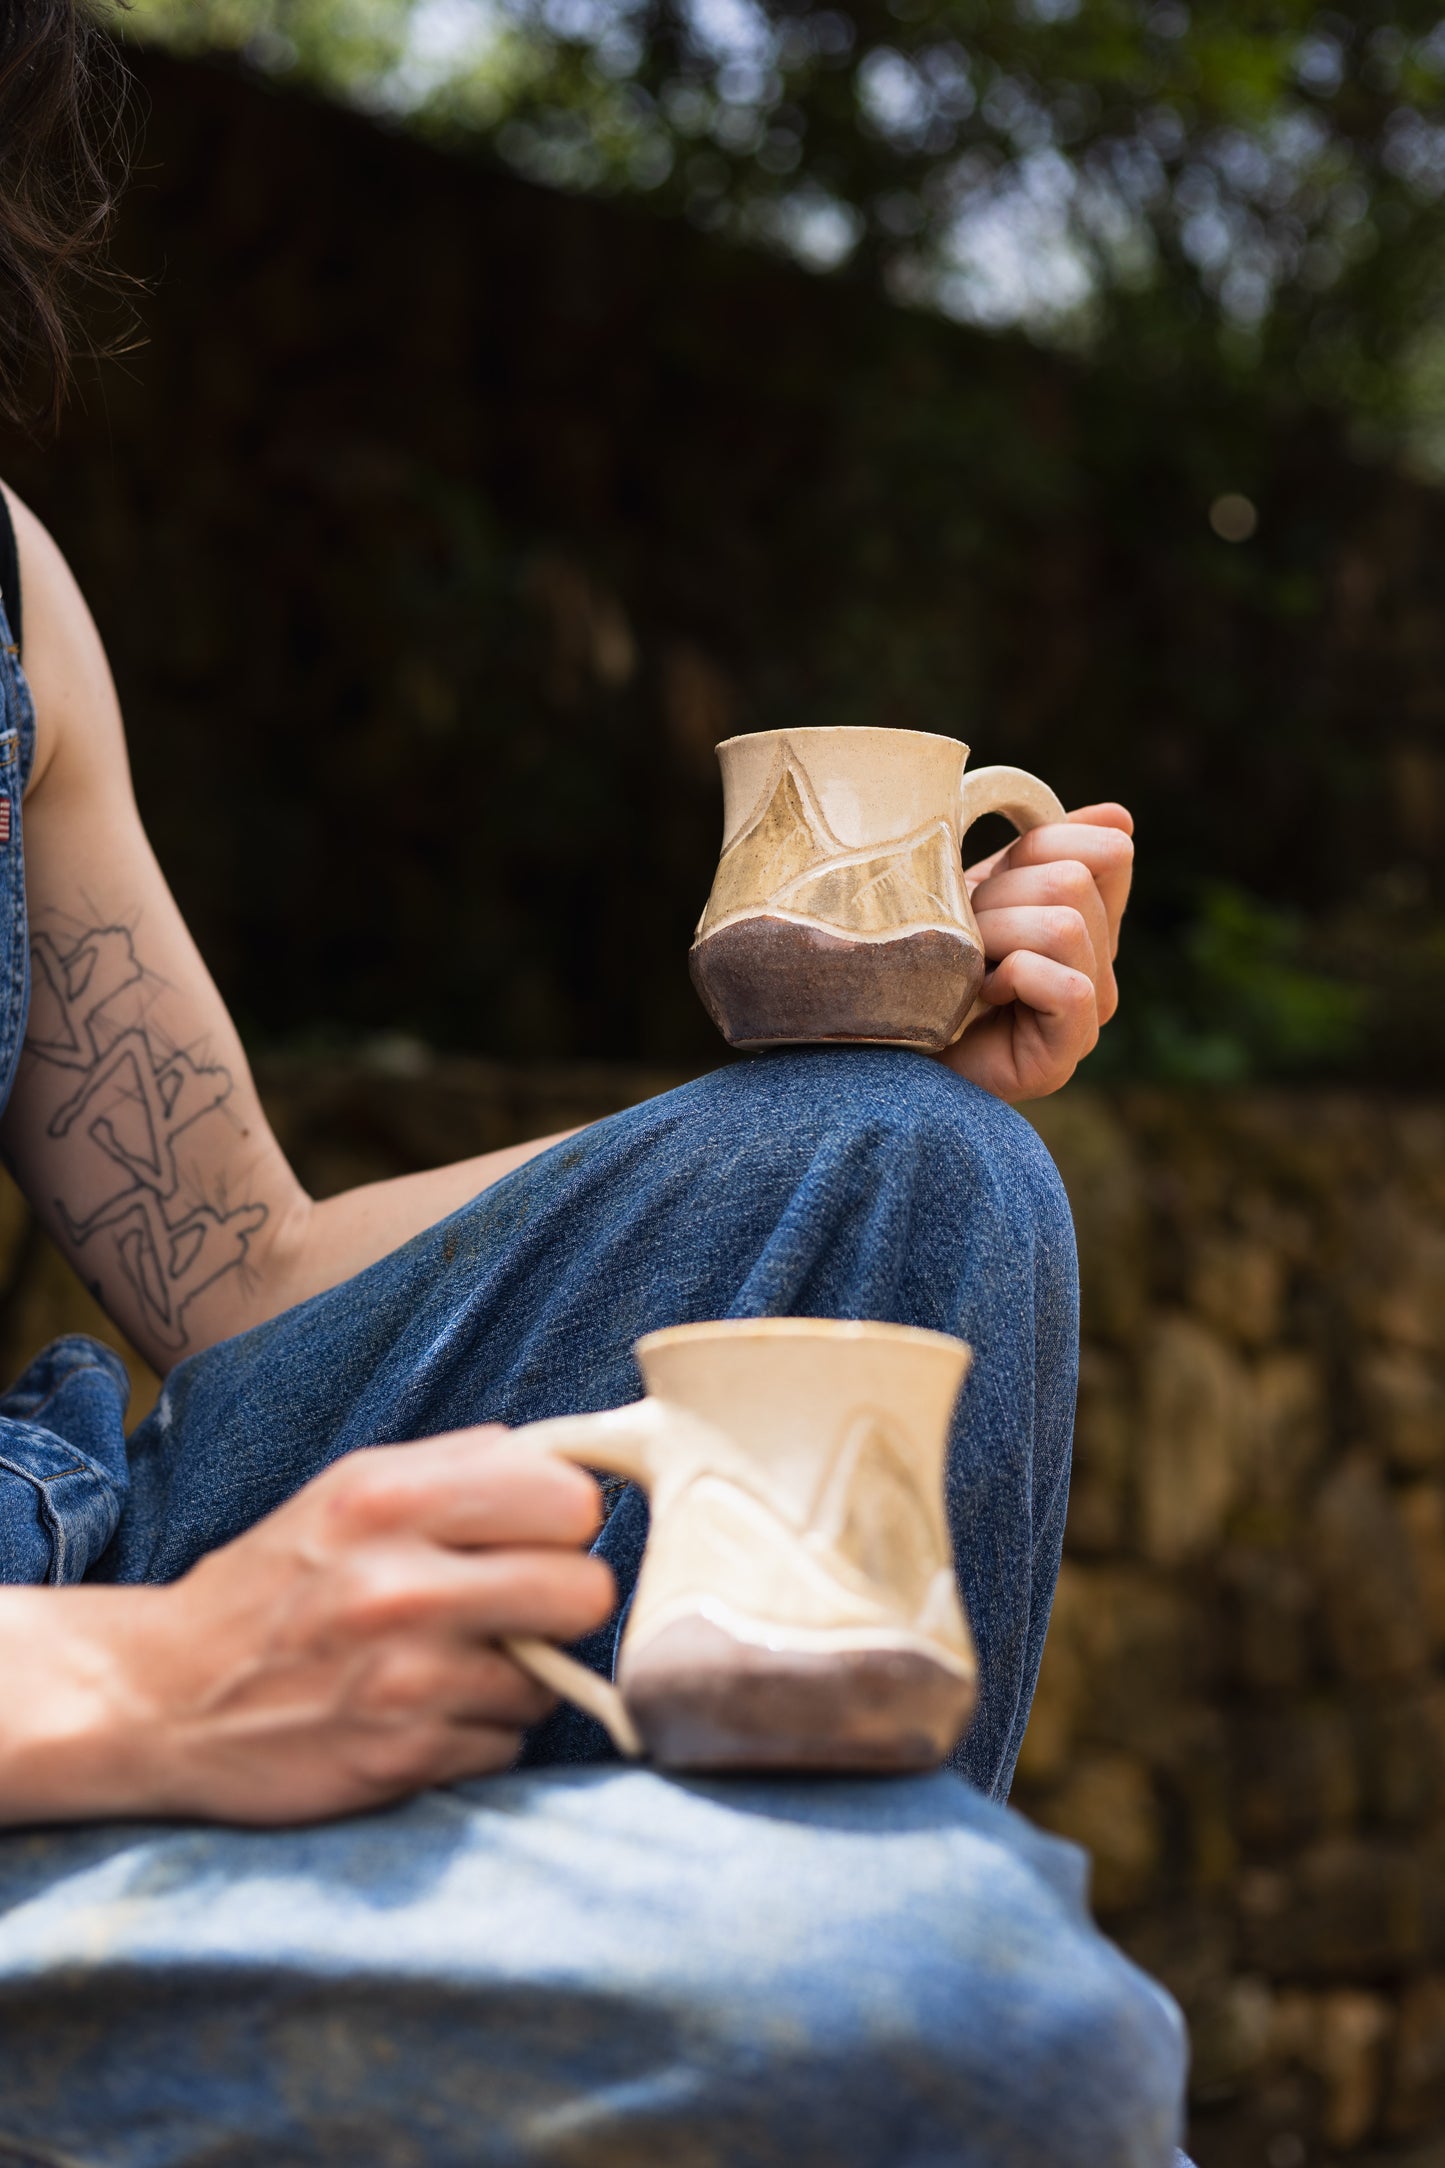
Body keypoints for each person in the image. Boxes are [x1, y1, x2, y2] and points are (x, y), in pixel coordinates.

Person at [0, 6, 1192, 2163]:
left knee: (917, 1161)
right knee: (969, 2023)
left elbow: (240, 1272)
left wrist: (846, 1055)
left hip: (78, 1535)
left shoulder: (5, 588)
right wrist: (147, 1684)